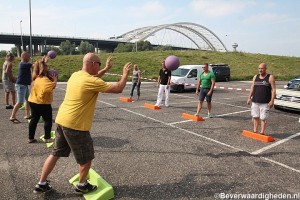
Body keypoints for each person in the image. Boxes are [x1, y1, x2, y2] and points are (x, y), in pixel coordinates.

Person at [33, 53, 132, 194]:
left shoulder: (76, 75)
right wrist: (124, 74)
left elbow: (93, 78)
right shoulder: (90, 81)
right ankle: (82, 185)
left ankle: (41, 183)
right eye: (99, 63)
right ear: (92, 64)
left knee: (55, 153)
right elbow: (118, 88)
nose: (99, 66)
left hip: (62, 120)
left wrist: (105, 69)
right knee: (86, 158)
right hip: (76, 125)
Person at [28, 55, 57, 143]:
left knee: (34, 119)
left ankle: (31, 138)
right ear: (43, 68)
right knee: (48, 120)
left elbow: (39, 64)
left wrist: (44, 61)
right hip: (43, 103)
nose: (48, 68)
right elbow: (49, 88)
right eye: (46, 66)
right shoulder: (44, 79)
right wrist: (55, 80)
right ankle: (47, 138)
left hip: (33, 101)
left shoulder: (36, 77)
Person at [247, 63, 276, 135]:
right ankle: (255, 131)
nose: (260, 70)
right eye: (259, 68)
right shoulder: (255, 77)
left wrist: (272, 100)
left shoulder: (270, 77)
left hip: (265, 102)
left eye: (262, 68)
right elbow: (252, 88)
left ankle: (262, 132)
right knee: (255, 116)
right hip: (255, 101)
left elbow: (273, 90)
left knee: (263, 118)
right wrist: (249, 97)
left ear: (265, 69)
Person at [9, 52, 32, 123]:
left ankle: (28, 115)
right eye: (28, 57)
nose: (30, 58)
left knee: (28, 100)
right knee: (20, 102)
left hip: (24, 85)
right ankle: (12, 116)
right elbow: (34, 65)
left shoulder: (25, 64)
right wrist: (43, 61)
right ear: (24, 56)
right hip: (21, 85)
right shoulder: (23, 64)